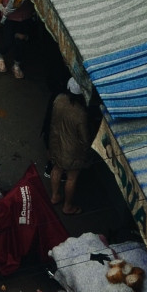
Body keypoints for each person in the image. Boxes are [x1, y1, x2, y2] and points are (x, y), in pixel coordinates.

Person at [48, 77, 93, 216]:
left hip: (56, 143)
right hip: (72, 152)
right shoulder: (81, 114)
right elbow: (85, 139)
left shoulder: (59, 99)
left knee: (56, 169)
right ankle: (67, 206)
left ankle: (55, 195)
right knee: (71, 178)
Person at [0, 0, 33, 79]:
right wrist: (1, 7)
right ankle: (0, 56)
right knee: (8, 41)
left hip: (24, 19)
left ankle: (16, 64)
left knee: (21, 43)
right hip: (10, 19)